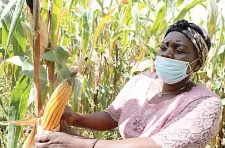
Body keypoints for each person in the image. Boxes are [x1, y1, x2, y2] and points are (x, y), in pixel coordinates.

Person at [35, 19, 222, 148]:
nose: (167, 53)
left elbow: (156, 145)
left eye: (178, 49)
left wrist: (79, 143)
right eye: (164, 47)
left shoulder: (205, 103)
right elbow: (111, 116)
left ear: (197, 62)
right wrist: (76, 118)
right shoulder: (141, 81)